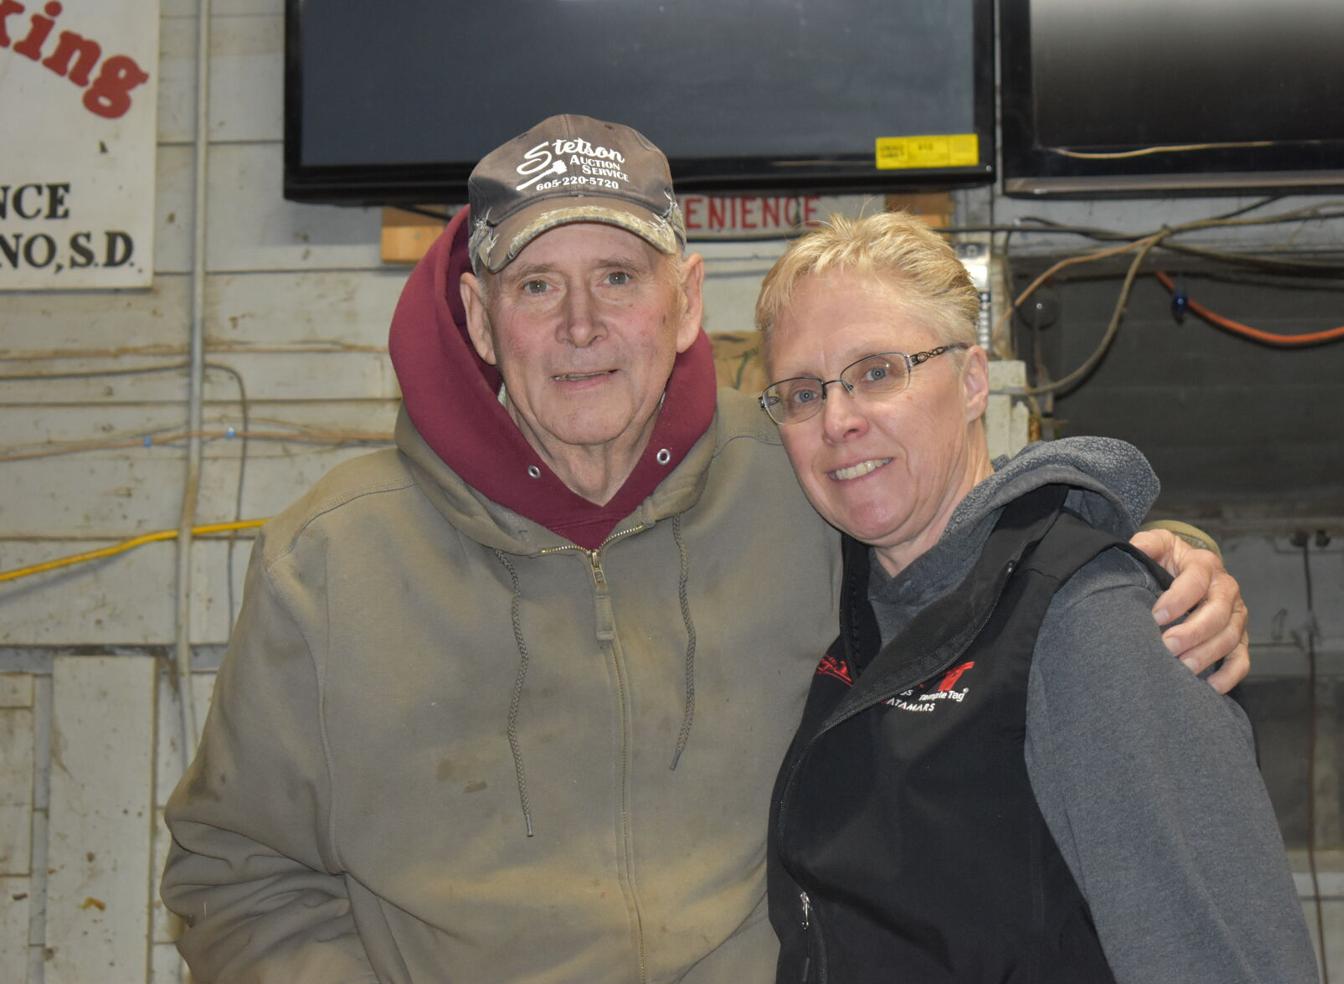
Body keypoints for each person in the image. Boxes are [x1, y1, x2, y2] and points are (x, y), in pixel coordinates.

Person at [161, 115, 1249, 983]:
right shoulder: (333, 557)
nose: (582, 323)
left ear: (685, 303)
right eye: (538, 286)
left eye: (620, 278)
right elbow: (237, 870)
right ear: (482, 324)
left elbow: (972, 553)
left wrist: (1146, 562)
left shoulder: (795, 473)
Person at [757, 211, 1317, 983]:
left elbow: (1222, 958)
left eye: (878, 371)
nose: (839, 420)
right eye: (801, 393)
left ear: (974, 381)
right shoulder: (838, 595)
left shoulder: (1087, 621)